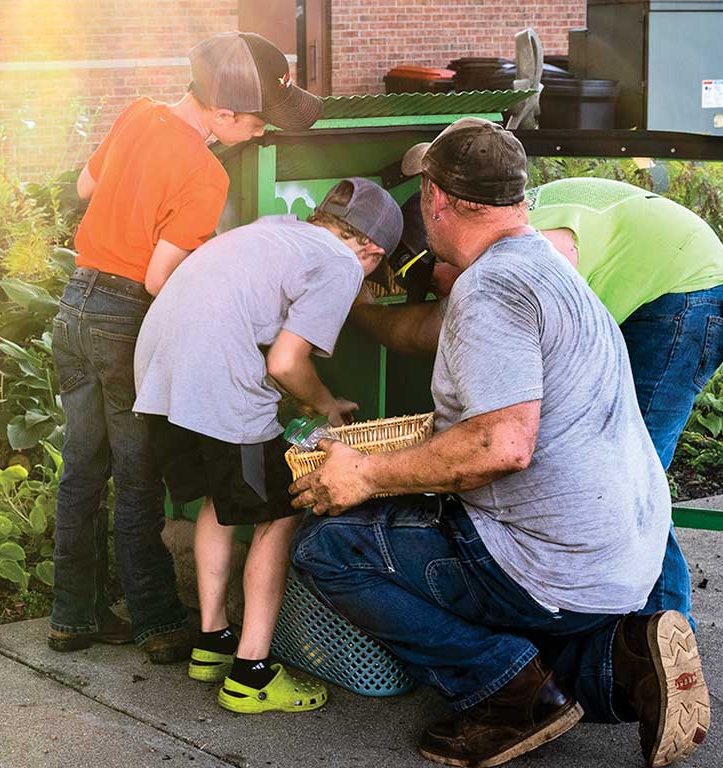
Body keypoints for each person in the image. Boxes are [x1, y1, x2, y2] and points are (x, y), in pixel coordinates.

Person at [288, 118, 709, 768]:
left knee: (331, 548)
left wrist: (367, 476)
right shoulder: (547, 261)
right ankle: (624, 664)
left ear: (436, 201)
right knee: (536, 606)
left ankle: (507, 694)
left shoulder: (491, 288)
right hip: (624, 559)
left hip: (557, 566)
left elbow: (501, 445)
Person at [47, 31, 323, 663]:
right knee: (139, 479)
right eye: (257, 122)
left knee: (84, 468)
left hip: (75, 306)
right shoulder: (205, 173)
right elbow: (158, 278)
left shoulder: (138, 113)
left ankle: (72, 615)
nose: (259, 134)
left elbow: (88, 190)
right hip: (124, 321)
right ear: (224, 113)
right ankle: (156, 621)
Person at [133, 178, 401, 712]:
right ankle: (251, 675)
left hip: (158, 379)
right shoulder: (343, 263)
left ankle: (212, 644)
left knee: (218, 496)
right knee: (279, 514)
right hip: (216, 380)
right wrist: (324, 404)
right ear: (371, 250)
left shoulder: (276, 231)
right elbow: (285, 362)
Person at [430, 177, 723, 629]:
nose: (448, 297)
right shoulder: (512, 231)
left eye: (444, 285)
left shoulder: (536, 252)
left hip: (683, 294)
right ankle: (643, 633)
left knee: (628, 479)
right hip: (684, 276)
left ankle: (655, 636)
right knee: (623, 474)